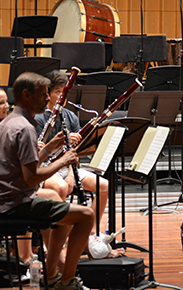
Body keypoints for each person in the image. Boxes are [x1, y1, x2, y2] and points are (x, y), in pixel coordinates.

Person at [0, 72, 94, 290]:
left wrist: (50, 148)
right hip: (15, 205)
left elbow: (24, 166)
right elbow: (31, 177)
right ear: (26, 95)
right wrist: (63, 161)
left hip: (10, 199)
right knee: (86, 215)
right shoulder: (24, 128)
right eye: (43, 95)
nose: (47, 100)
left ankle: (51, 274)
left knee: (63, 214)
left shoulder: (10, 122)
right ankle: (67, 280)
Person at [35, 70, 120, 259]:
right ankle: (61, 241)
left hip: (68, 167)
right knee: (60, 187)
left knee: (104, 185)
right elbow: (38, 153)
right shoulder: (39, 117)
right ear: (48, 93)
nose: (61, 96)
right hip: (47, 168)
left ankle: (90, 236)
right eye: (57, 91)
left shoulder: (70, 116)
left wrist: (73, 174)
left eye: (64, 91)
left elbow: (76, 153)